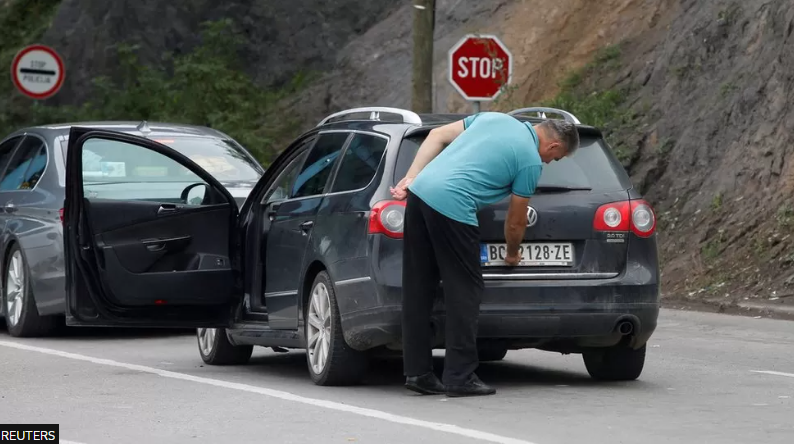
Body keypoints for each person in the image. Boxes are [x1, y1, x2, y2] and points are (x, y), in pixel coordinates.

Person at [390, 111, 580, 397]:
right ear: (553, 146)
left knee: (419, 288)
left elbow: (436, 135)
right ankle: (459, 376)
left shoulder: (494, 118)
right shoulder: (529, 160)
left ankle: (418, 373)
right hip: (452, 206)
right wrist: (513, 254)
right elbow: (516, 221)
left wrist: (411, 178)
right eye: (555, 158)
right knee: (465, 290)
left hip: (419, 195)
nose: (549, 162)